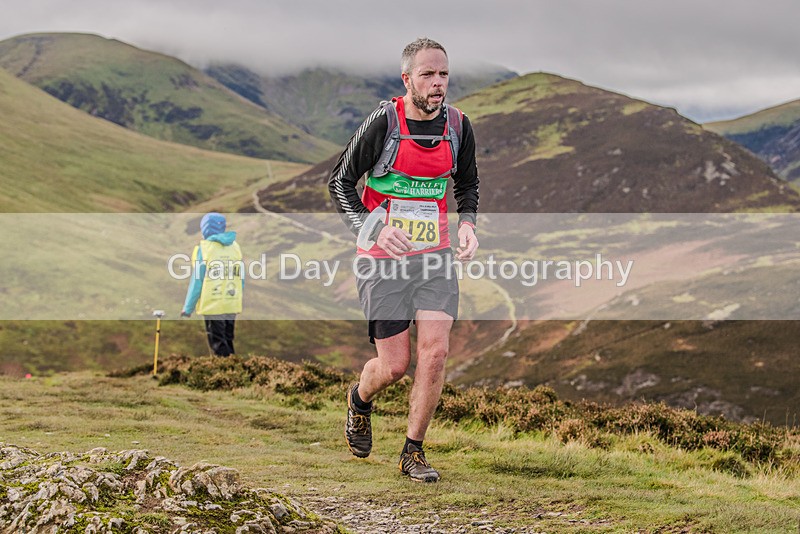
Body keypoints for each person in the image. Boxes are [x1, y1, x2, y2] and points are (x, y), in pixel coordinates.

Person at [328, 37, 479, 482]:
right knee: (394, 366)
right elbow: (340, 183)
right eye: (428, 74)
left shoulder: (459, 126)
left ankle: (413, 452)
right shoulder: (384, 122)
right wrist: (374, 228)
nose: (438, 83)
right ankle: (359, 398)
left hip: (434, 257)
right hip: (382, 258)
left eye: (444, 74)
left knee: (435, 353)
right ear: (407, 78)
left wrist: (467, 224)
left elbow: (467, 184)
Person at [180, 212, 244, 357]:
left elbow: (197, 281)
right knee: (228, 339)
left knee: (218, 343)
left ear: (205, 229)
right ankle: (236, 371)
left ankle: (225, 374)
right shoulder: (235, 247)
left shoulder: (204, 249)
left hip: (213, 304)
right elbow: (241, 277)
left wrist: (188, 308)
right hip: (231, 303)